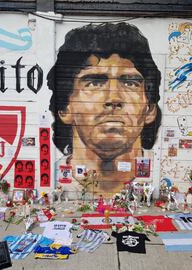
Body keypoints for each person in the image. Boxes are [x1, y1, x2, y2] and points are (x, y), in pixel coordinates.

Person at [47, 22, 161, 195]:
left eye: (130, 83)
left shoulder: (161, 170)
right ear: (64, 108)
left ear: (150, 109)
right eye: (94, 82)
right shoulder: (49, 179)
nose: (113, 98)